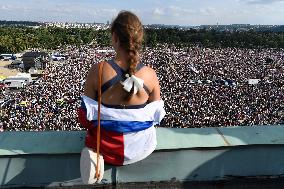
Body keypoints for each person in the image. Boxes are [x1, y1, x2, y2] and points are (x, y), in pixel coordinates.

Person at [78, 10, 165, 183]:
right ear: (139, 39)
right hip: (141, 149)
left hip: (105, 149)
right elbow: (157, 118)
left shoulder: (99, 70)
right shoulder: (150, 75)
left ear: (115, 38)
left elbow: (84, 118)